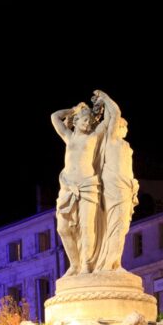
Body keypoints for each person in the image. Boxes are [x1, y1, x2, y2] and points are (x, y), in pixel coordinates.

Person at [51, 100, 108, 274]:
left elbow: (109, 119)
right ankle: (75, 264)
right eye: (84, 119)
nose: (87, 123)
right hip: (68, 187)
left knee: (86, 226)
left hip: (88, 185)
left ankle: (86, 265)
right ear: (75, 121)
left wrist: (104, 101)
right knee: (63, 228)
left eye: (90, 120)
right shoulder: (69, 137)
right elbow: (55, 117)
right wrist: (73, 110)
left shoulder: (93, 137)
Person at [92, 90, 139, 271]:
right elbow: (115, 113)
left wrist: (133, 184)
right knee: (115, 224)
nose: (125, 129)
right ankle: (109, 263)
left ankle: (115, 261)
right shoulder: (111, 140)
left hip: (125, 186)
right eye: (123, 126)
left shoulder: (125, 145)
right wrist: (104, 98)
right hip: (114, 185)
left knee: (122, 226)